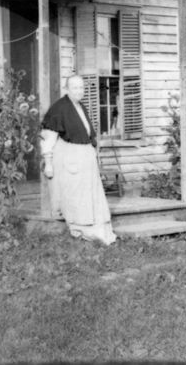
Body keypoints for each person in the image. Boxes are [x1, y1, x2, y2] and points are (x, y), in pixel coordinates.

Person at [40, 75, 117, 245]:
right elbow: (48, 138)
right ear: (66, 89)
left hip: (85, 157)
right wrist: (49, 163)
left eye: (81, 88)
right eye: (75, 88)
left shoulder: (80, 106)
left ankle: (97, 231)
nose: (79, 91)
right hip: (70, 157)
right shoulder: (59, 109)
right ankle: (81, 230)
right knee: (76, 196)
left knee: (90, 195)